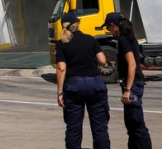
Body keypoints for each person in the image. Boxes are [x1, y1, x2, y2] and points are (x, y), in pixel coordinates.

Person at [55, 12, 110, 149]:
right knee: (100, 128)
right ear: (77, 24)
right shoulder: (90, 39)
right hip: (95, 85)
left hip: (74, 86)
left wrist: (60, 92)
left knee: (73, 128)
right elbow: (102, 61)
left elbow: (61, 68)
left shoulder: (61, 44)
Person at [103, 12, 152, 149]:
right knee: (131, 125)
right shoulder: (129, 37)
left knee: (137, 125)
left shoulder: (123, 40)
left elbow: (132, 64)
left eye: (108, 28)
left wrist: (128, 90)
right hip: (134, 84)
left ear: (113, 26)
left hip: (133, 86)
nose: (109, 31)